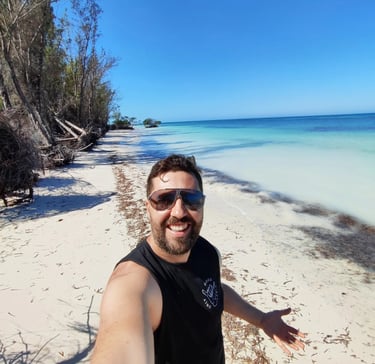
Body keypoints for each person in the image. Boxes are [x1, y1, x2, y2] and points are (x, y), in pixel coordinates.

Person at [91, 154, 305, 363]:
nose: (179, 211)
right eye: (164, 199)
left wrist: (261, 319)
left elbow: (213, 290)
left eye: (191, 199)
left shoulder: (206, 251)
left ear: (202, 205)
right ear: (148, 207)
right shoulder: (133, 285)